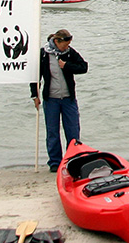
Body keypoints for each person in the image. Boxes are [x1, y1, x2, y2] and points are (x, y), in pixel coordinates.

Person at [31, 29, 89, 172]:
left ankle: (74, 159)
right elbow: (35, 75)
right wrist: (35, 95)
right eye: (65, 45)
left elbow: (83, 67)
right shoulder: (44, 54)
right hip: (51, 99)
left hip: (68, 98)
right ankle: (55, 162)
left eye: (69, 44)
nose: (67, 47)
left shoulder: (69, 53)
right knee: (52, 131)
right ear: (57, 42)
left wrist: (67, 66)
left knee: (73, 131)